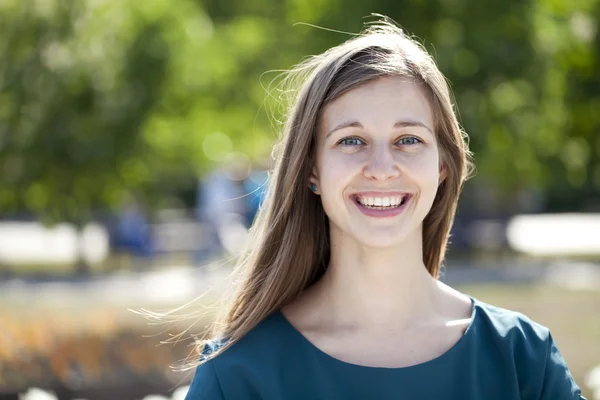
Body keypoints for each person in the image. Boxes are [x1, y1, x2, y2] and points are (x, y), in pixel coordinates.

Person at [183, 18, 586, 399]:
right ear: (312, 170)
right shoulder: (238, 374)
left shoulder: (523, 360)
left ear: (443, 166)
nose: (380, 169)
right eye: (351, 140)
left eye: (408, 140)